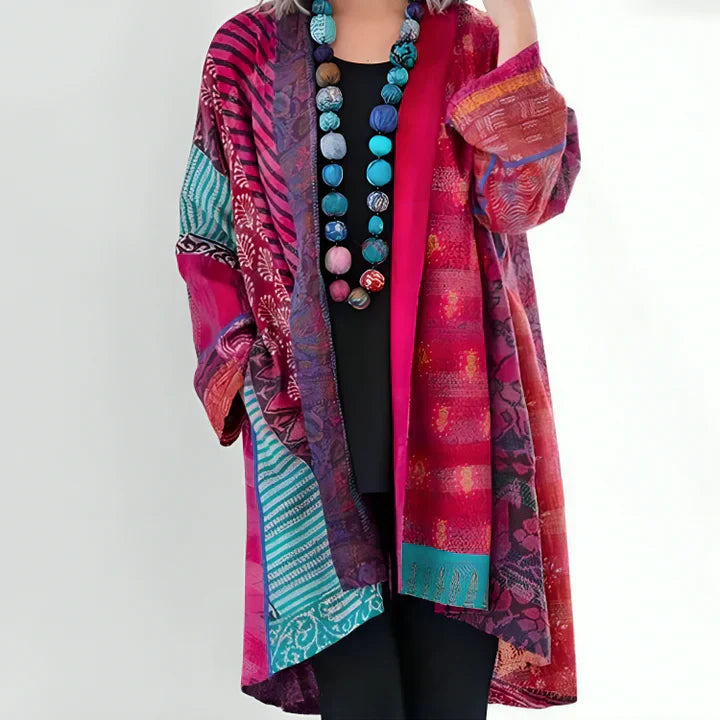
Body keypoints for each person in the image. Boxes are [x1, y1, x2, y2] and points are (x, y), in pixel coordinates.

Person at [175, 0, 580, 718]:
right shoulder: (247, 51)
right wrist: (245, 377)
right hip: (308, 457)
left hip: (459, 461)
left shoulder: (474, 44)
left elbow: (520, 200)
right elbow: (206, 237)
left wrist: (515, 14)